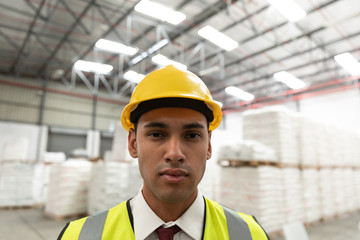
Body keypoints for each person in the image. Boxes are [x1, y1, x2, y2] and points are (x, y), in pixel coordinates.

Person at [57, 65, 269, 240]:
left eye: (192, 135)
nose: (174, 153)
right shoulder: (78, 236)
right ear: (132, 144)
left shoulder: (250, 235)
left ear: (209, 146)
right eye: (157, 134)